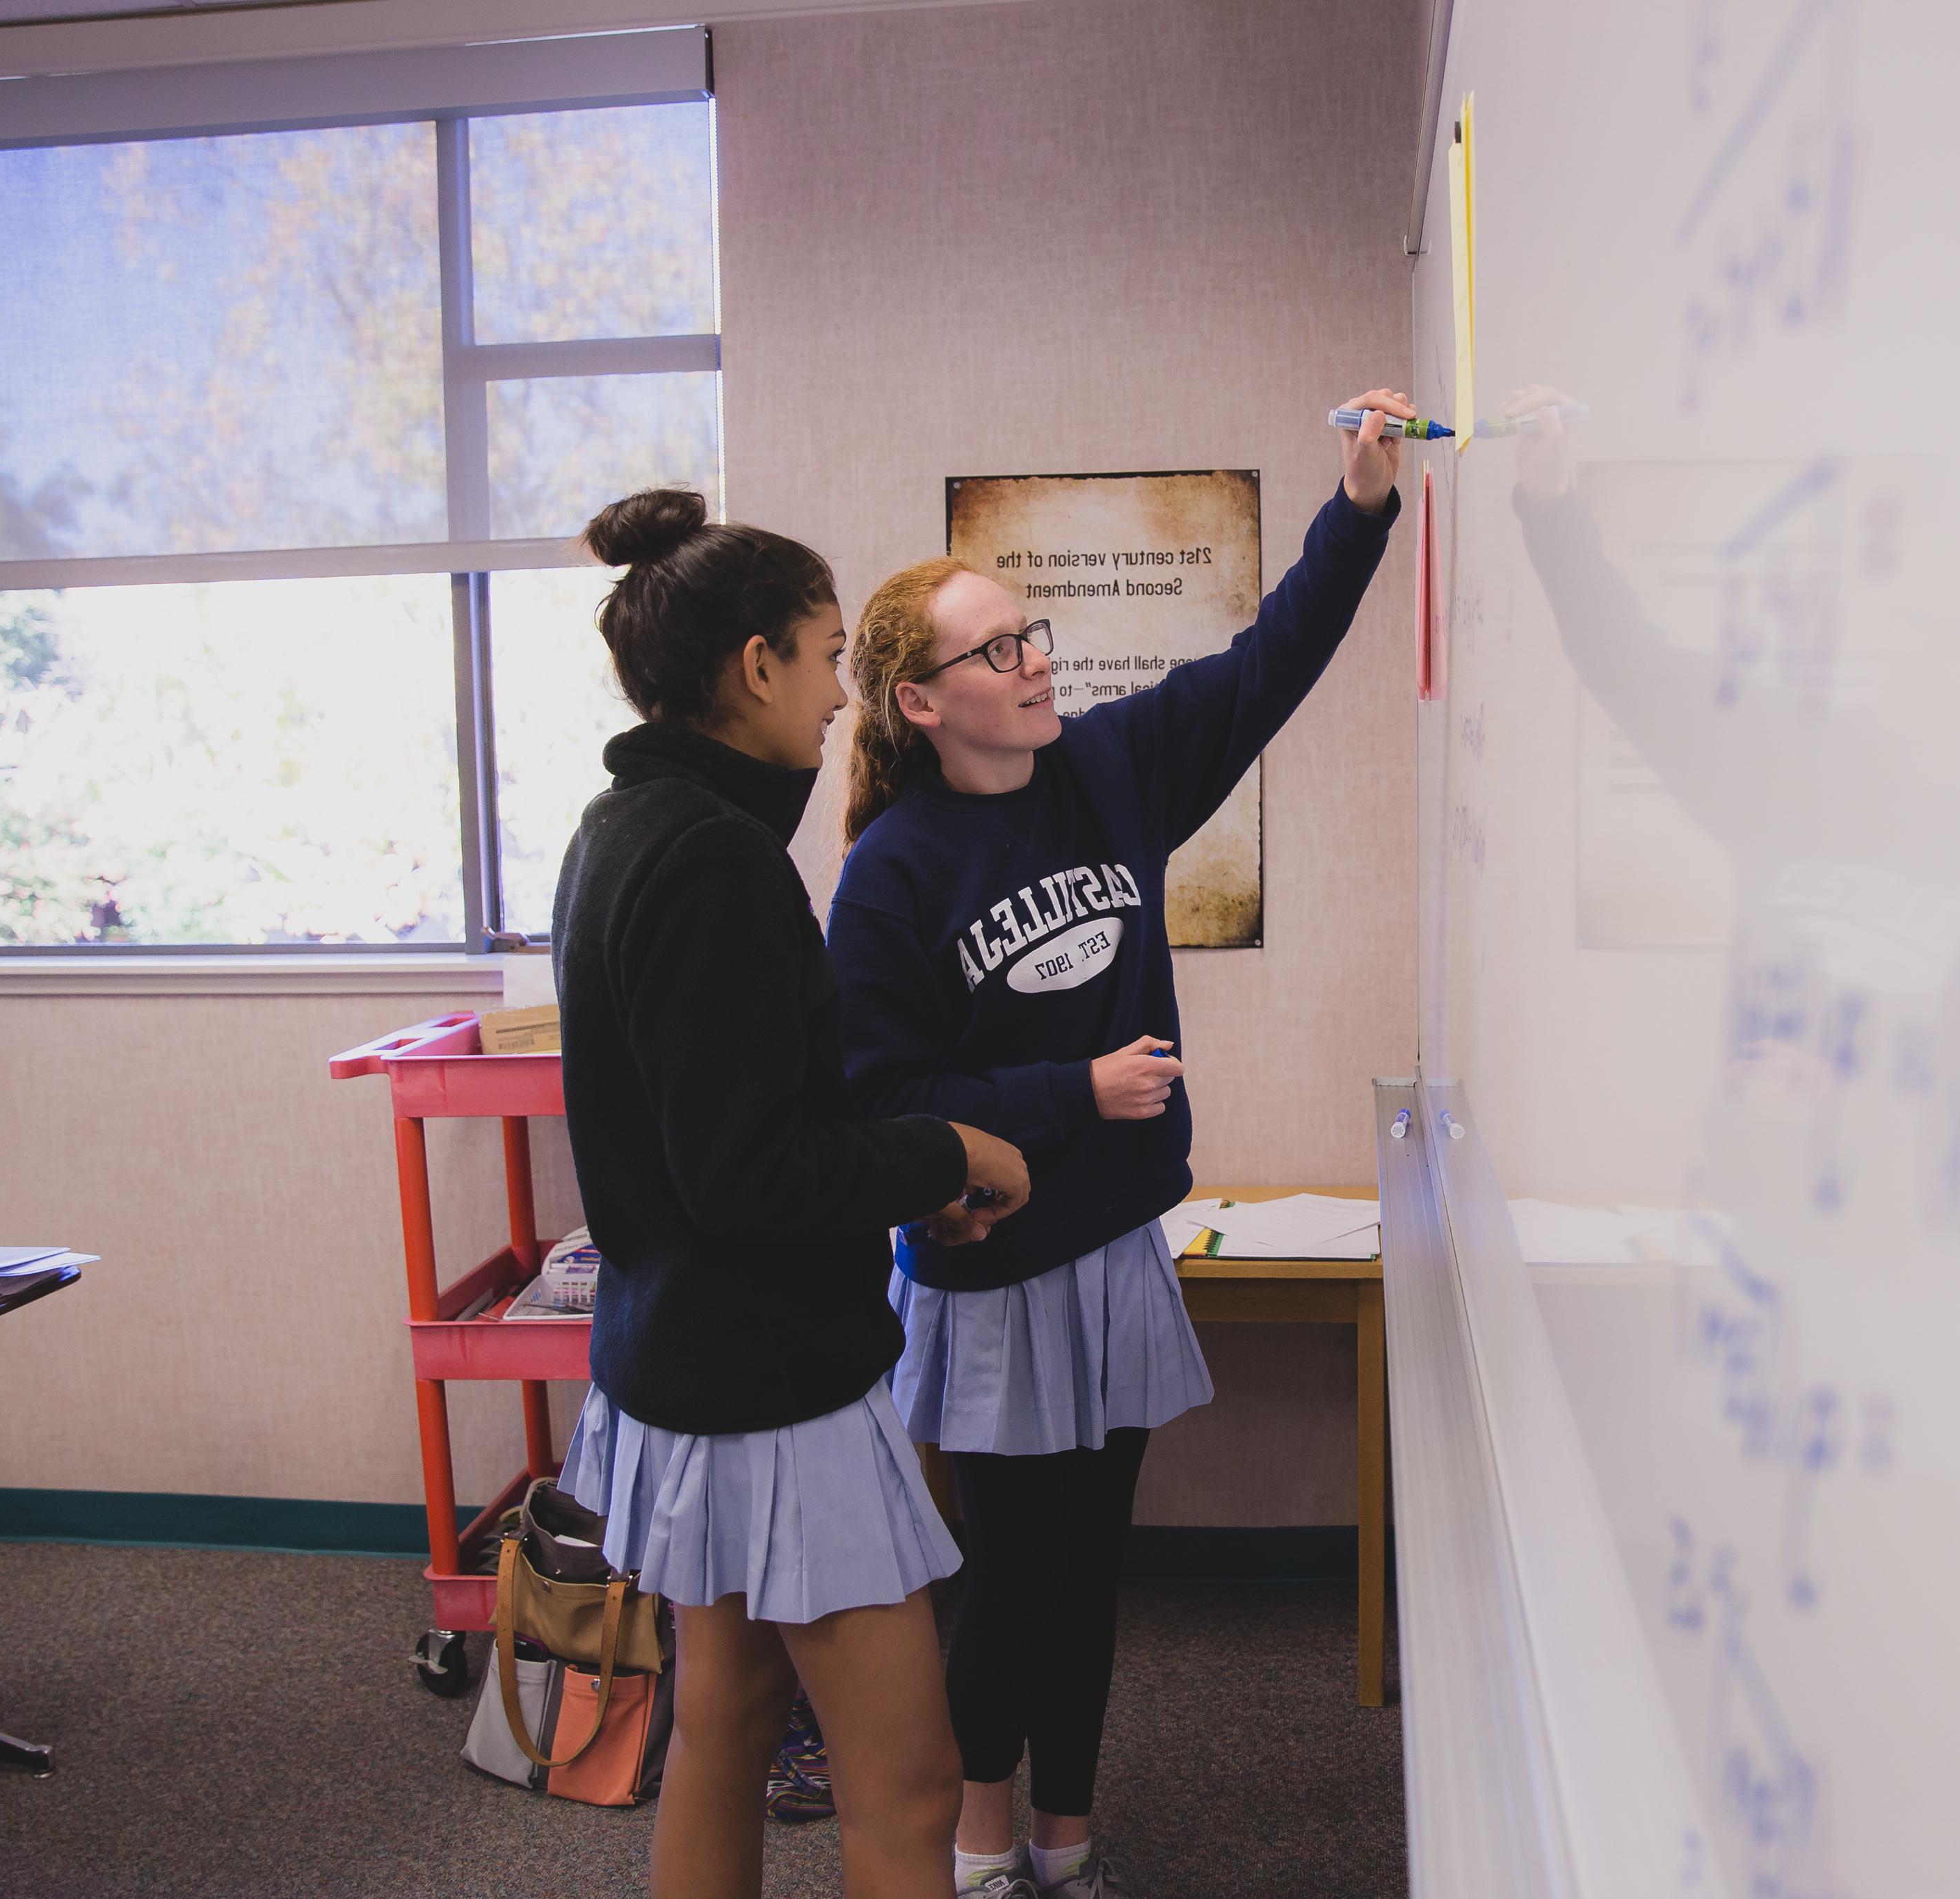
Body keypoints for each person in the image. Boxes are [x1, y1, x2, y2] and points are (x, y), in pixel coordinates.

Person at [824, 393, 1412, 1898]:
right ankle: (972, 1839)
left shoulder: (1106, 768)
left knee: (1094, 1572)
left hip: (1115, 1248)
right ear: (918, 704)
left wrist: (1356, 506)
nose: (1036, 664)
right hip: (991, 1269)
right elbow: (879, 1100)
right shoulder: (888, 877)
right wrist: (1066, 1094)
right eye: (997, 650)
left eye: (1031, 637)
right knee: (1009, 1578)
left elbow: (1262, 668)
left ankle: (1065, 1840)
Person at [547, 484, 1034, 1899]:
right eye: (824, 655)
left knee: (728, 1718)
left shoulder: (624, 827)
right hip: (770, 1389)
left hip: (678, 1360)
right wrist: (948, 1154)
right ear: (753, 663)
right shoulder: (712, 859)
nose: (838, 695)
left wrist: (885, 1174)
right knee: (908, 1783)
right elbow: (750, 1171)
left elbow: (732, 1125)